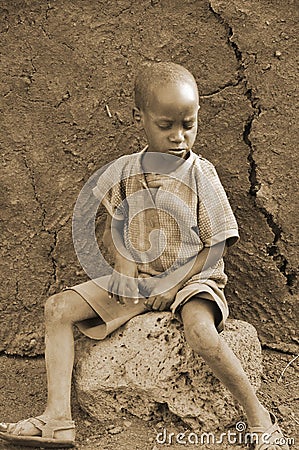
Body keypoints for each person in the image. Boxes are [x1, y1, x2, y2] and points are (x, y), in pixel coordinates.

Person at [0, 62, 289, 450]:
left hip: (193, 279)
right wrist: (123, 265)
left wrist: (172, 284)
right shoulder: (126, 173)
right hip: (139, 280)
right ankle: (57, 420)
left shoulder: (201, 174)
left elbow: (217, 243)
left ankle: (260, 420)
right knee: (57, 309)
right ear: (141, 119)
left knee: (202, 334)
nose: (179, 137)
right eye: (165, 125)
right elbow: (115, 224)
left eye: (188, 124)